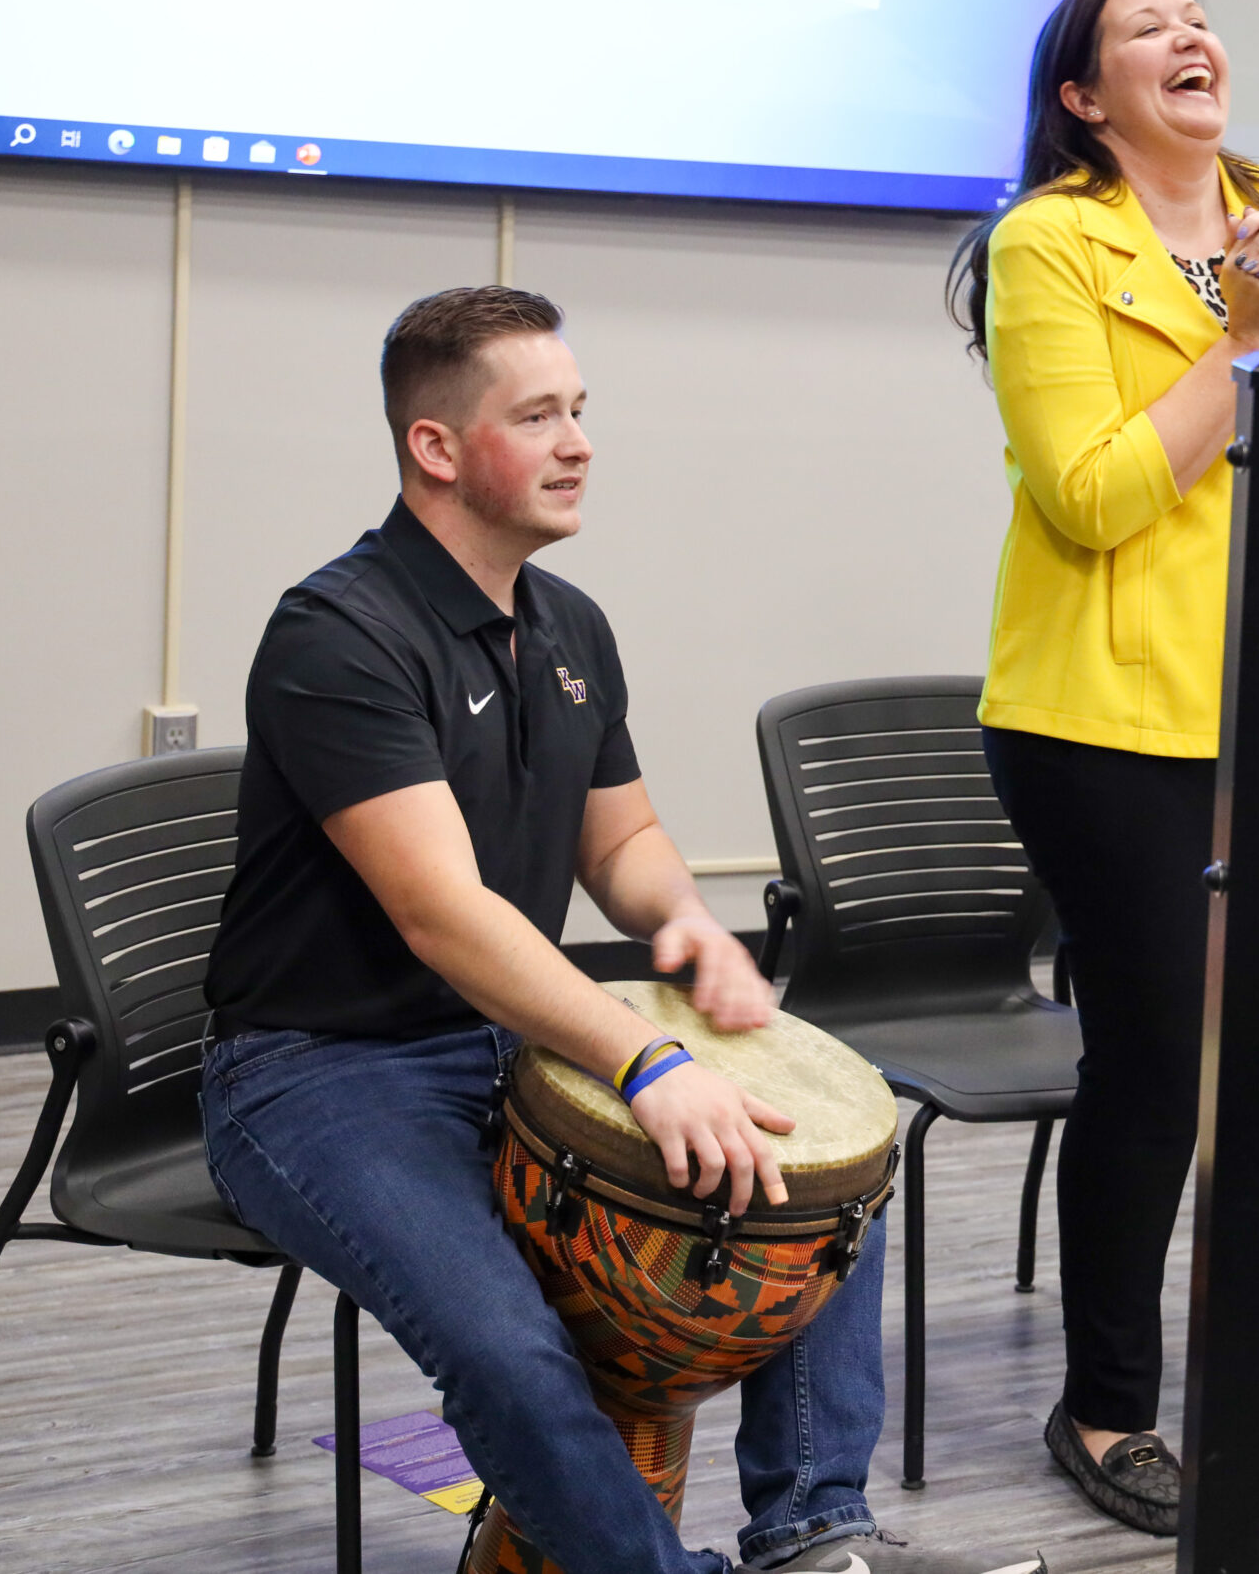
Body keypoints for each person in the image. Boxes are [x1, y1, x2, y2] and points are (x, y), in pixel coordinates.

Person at [198, 286, 1044, 1574]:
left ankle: (816, 1535)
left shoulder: (567, 624)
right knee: (504, 1347)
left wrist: (686, 927)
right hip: (318, 1069)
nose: (578, 441)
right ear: (435, 448)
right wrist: (645, 1060)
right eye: (536, 416)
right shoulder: (340, 634)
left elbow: (622, 844)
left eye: (578, 410)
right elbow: (444, 912)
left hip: (502, 1045)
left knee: (810, 1178)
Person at [947, 0, 1259, 1536]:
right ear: (1087, 96)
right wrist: (1246, 339)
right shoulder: (1048, 241)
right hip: (1112, 720)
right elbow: (1090, 494)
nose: (1190, 37)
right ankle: (1107, 1409)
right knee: (1157, 1069)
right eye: (1147, 28)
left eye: (1197, 15)